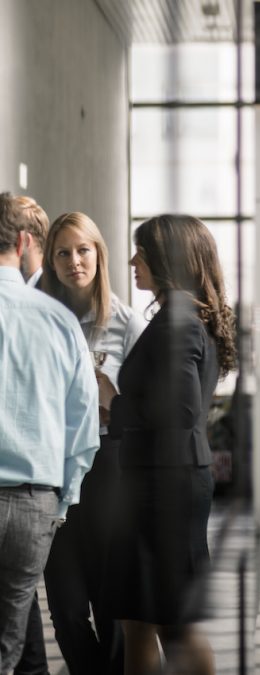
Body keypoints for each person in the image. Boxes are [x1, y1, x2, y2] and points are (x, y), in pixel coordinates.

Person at [98, 215, 236, 675]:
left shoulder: (178, 321)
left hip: (165, 489)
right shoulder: (182, 316)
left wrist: (111, 402)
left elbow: (179, 412)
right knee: (139, 619)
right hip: (160, 482)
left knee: (171, 624)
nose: (133, 260)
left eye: (142, 251)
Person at [40, 212, 146, 674]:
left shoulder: (126, 321)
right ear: (50, 260)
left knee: (110, 599)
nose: (73, 261)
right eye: (62, 252)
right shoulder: (37, 315)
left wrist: (107, 397)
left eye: (82, 250)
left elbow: (137, 408)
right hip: (52, 466)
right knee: (64, 607)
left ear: (99, 255)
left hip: (109, 467)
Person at [0, 192, 99, 673]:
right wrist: (61, 501)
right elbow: (83, 426)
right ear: (23, 243)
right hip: (33, 500)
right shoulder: (59, 320)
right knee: (12, 632)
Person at [6, 193, 53, 675]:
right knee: (22, 606)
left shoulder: (53, 305)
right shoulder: (47, 309)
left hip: (34, 487)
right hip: (37, 487)